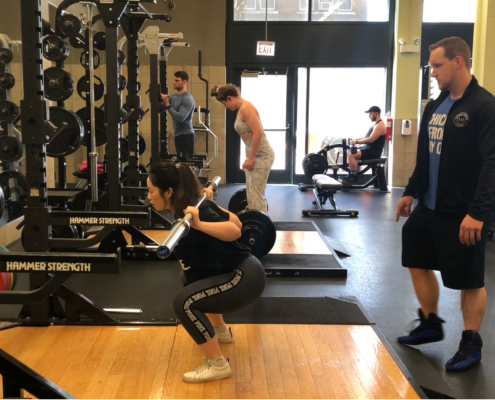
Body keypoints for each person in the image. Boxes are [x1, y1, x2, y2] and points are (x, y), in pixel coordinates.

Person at [395, 37, 495, 372]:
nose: (433, 73)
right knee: (415, 254)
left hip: (463, 211)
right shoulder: (435, 105)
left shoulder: (484, 105)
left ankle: (471, 341)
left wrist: (478, 213)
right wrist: (410, 191)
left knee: (469, 279)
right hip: (430, 207)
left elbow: (492, 163)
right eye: (431, 66)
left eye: (438, 66)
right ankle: (430, 322)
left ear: (458, 62)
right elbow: (425, 156)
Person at [147, 162, 266, 383]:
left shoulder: (196, 212)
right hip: (242, 271)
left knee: (184, 303)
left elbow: (236, 229)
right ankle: (220, 332)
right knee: (190, 277)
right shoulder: (195, 207)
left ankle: (217, 365)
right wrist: (211, 205)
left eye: (151, 191)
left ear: (169, 192)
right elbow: (235, 220)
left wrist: (200, 223)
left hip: (244, 277)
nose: (148, 196)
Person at [210, 84, 274, 213]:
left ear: (229, 98)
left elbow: (258, 132)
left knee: (256, 195)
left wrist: (250, 158)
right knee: (251, 194)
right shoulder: (241, 109)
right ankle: (252, 219)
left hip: (262, 155)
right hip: (254, 154)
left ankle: (261, 229)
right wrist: (248, 157)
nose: (225, 107)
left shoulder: (246, 107)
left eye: (224, 103)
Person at [343, 106, 386, 185]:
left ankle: (353, 177)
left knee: (352, 155)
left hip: (374, 152)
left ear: (376, 114)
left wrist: (356, 142)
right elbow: (366, 137)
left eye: (370, 114)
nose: (369, 116)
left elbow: (371, 140)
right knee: (348, 152)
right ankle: (351, 174)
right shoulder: (374, 125)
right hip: (369, 148)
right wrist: (354, 139)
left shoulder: (380, 125)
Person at [159, 71, 195, 160]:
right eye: (174, 80)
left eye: (177, 80)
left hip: (186, 136)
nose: (174, 82)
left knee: (185, 165)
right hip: (178, 135)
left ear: (184, 82)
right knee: (180, 163)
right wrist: (154, 97)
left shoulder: (187, 99)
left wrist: (167, 104)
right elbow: (160, 109)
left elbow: (180, 118)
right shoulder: (173, 97)